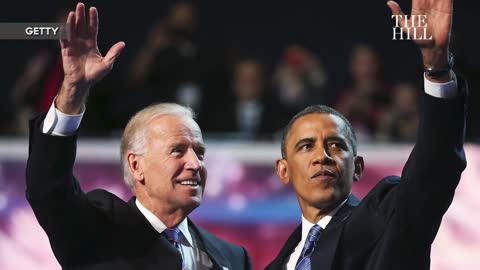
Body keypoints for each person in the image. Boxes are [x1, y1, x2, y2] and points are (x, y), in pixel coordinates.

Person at [25, 3, 252, 270]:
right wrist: (73, 89)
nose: (195, 164)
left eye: (199, 152)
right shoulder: (96, 229)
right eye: (177, 150)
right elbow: (47, 188)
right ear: (136, 165)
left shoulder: (234, 258)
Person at [265, 0, 468, 269]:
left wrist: (437, 68)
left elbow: (432, 172)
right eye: (306, 146)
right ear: (283, 170)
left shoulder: (385, 219)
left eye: (336, 145)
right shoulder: (276, 264)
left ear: (357, 167)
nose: (322, 156)